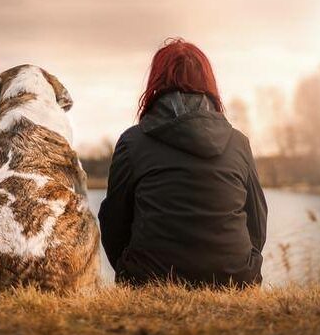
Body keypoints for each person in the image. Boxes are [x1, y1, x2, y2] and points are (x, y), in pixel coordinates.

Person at [98, 38, 267, 288]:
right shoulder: (238, 142)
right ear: (208, 82)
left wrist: (129, 269)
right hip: (235, 279)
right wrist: (244, 266)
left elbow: (113, 221)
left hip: (149, 279)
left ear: (156, 82)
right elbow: (257, 221)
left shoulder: (132, 142)